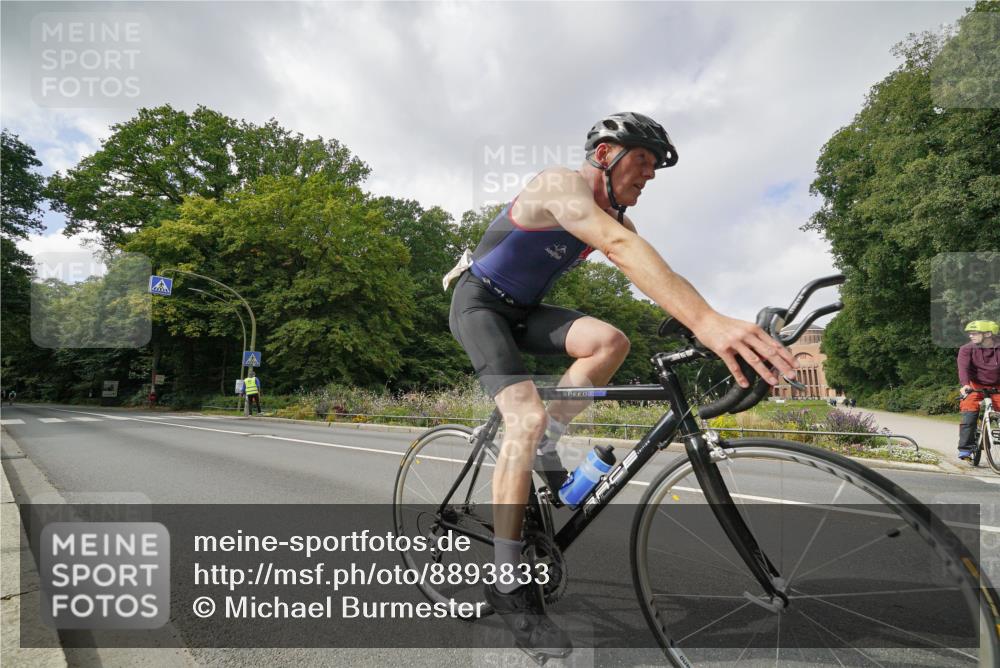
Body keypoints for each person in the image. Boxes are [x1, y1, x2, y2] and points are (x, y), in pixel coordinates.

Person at [445, 112, 797, 659]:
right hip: (480, 304)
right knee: (526, 416)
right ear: (605, 154)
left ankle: (542, 442)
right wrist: (707, 320)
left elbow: (648, 268)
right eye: (643, 161)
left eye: (655, 169)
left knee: (611, 341)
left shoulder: (620, 218)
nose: (649, 176)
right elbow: (617, 246)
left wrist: (703, 324)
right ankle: (508, 580)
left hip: (527, 310)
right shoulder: (558, 186)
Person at [957, 320, 1000, 462]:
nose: (971, 336)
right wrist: (965, 385)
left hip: (997, 386)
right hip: (974, 386)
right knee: (969, 413)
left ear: (988, 334)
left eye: (975, 333)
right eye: (970, 333)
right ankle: (965, 448)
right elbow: (963, 369)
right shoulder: (966, 349)